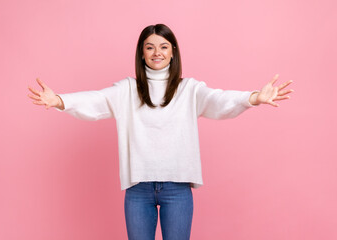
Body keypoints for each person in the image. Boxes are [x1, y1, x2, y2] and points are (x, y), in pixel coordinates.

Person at [28, 23, 293, 240]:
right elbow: (96, 100)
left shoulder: (189, 89)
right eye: (150, 47)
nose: (157, 52)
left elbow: (218, 100)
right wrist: (60, 101)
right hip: (138, 189)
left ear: (173, 52)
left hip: (177, 188)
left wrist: (254, 97)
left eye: (164, 46)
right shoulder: (127, 90)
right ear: (141, 53)